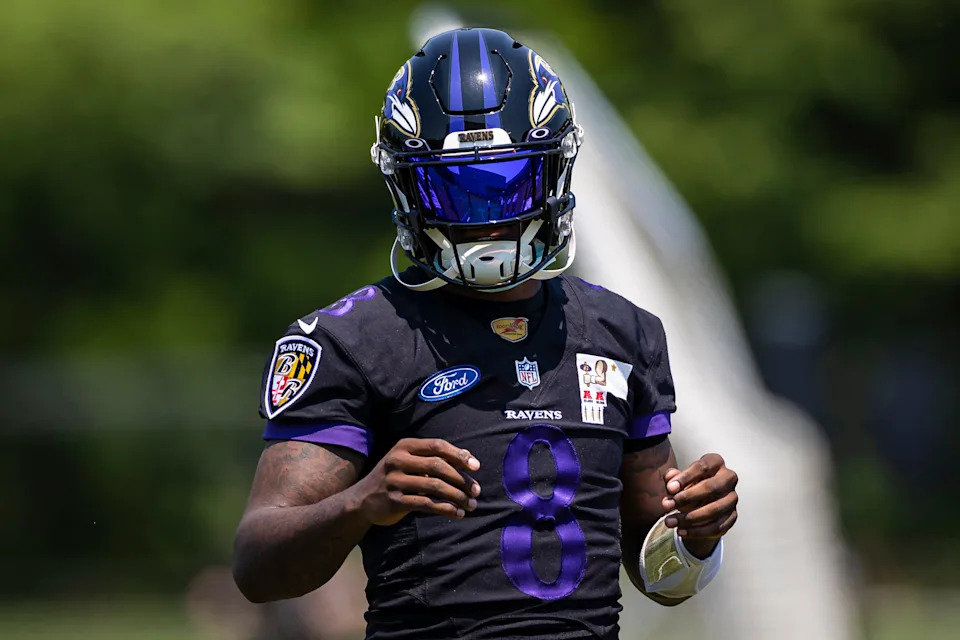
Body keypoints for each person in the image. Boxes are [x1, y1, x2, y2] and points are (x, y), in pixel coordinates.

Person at [233, 27, 739, 640]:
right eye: (454, 188)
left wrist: (697, 533)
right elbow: (258, 567)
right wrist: (359, 502)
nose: (487, 222)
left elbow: (662, 577)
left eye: (510, 180)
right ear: (404, 184)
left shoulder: (622, 333)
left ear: (555, 170)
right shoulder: (351, 340)